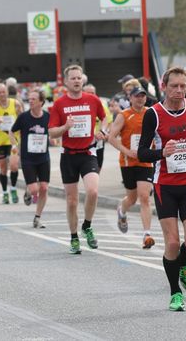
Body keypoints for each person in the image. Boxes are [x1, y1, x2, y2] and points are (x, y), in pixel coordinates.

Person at [137, 67, 186, 311]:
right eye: (174, 86)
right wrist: (162, 153)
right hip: (165, 186)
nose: (179, 91)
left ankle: (183, 263)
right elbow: (142, 152)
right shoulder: (153, 114)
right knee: (172, 243)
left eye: (183, 86)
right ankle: (175, 294)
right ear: (164, 86)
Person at [49, 65, 108, 254]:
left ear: (83, 80)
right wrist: (65, 127)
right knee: (72, 201)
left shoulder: (92, 99)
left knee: (93, 191)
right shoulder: (59, 104)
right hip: (68, 155)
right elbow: (51, 132)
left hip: (88, 153)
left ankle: (87, 226)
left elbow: (105, 118)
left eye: (79, 78)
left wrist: (102, 131)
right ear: (66, 82)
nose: (76, 81)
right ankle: (74, 237)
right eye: (73, 78)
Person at [107, 85, 155, 249]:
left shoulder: (151, 113)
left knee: (144, 197)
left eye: (142, 96)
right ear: (131, 98)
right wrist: (127, 151)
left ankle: (147, 234)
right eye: (137, 96)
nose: (140, 98)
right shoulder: (124, 115)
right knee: (132, 198)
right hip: (128, 163)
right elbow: (112, 138)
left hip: (146, 161)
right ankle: (122, 210)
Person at [10, 89, 50, 228]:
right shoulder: (24, 117)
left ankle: (37, 218)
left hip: (43, 157)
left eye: (33, 99)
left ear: (41, 102)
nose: (30, 101)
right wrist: (14, 146)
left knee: (44, 188)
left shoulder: (47, 117)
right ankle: (28, 191)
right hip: (28, 159)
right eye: (29, 99)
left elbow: (53, 131)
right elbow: (12, 131)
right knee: (34, 190)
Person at [83, 83, 113, 172]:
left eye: (93, 93)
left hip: (99, 139)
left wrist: (104, 132)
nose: (91, 95)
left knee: (98, 163)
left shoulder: (101, 105)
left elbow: (109, 121)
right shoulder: (81, 106)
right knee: (87, 164)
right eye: (88, 93)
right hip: (85, 141)